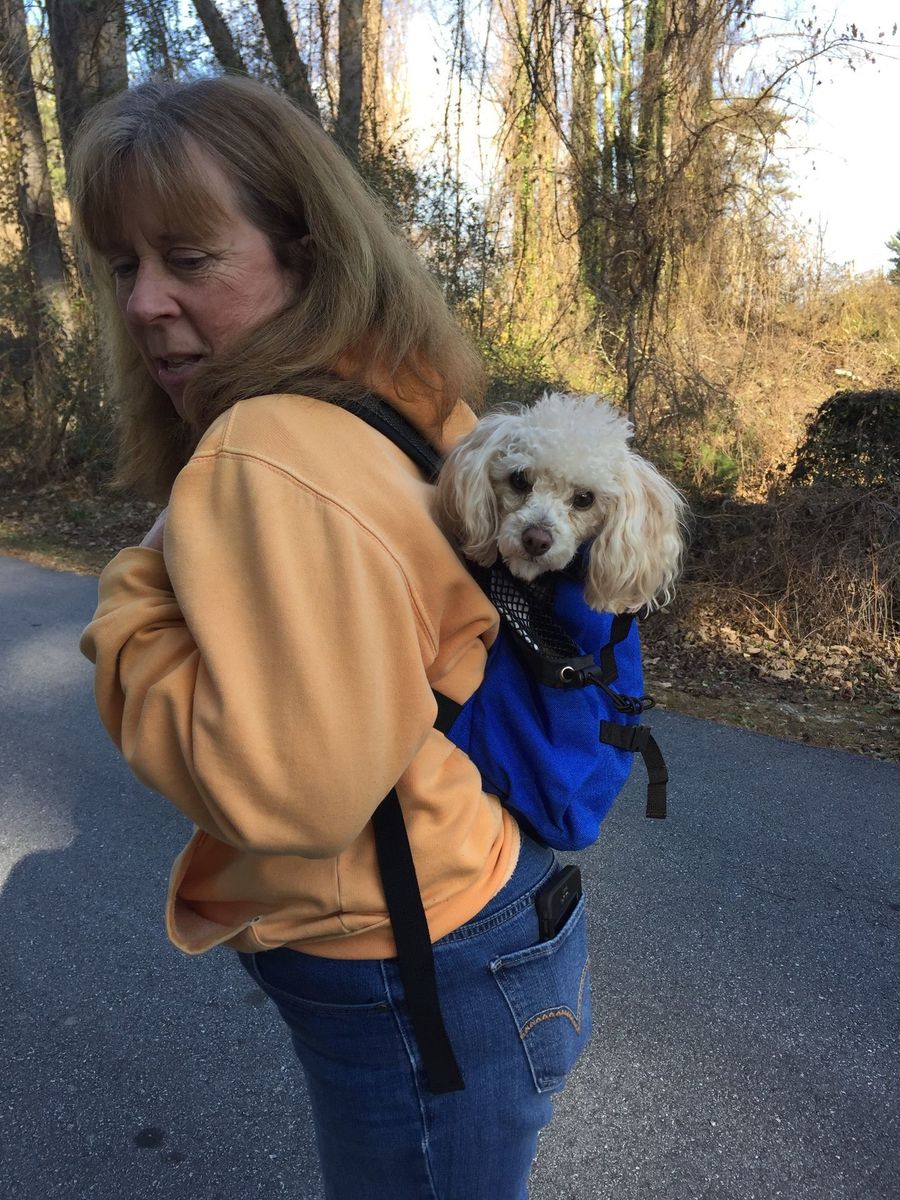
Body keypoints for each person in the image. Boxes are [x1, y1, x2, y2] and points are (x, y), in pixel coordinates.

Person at [76, 75, 592, 1199]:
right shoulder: (401, 390)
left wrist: (132, 599)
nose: (147, 303)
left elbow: (288, 800)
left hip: (418, 969)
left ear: (303, 251)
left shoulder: (261, 447)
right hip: (498, 911)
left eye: (189, 258)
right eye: (124, 265)